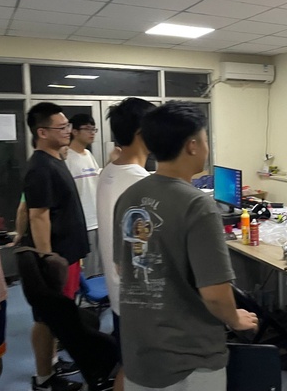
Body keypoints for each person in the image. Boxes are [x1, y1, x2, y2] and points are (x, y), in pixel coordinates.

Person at [113, 101, 258, 390]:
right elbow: (215, 294)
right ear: (192, 146)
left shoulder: (128, 196)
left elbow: (122, 266)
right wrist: (235, 319)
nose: (206, 147)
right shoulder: (196, 204)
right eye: (204, 139)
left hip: (140, 351)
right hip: (188, 360)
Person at [23, 102, 89, 391]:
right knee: (47, 319)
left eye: (68, 126)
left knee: (54, 319)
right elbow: (37, 216)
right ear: (42, 132)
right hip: (56, 259)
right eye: (61, 127)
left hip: (67, 255)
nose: (68, 131)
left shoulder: (55, 160)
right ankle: (44, 379)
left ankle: (51, 364)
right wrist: (48, 260)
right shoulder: (40, 167)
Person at [96, 98, 155, 391]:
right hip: (142, 301)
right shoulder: (140, 184)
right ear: (142, 132)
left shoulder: (109, 171)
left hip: (120, 294)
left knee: (130, 366)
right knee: (140, 372)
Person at [66, 114, 102, 278]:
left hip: (97, 219)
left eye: (94, 129)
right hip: (82, 222)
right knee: (89, 271)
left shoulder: (88, 154)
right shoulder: (66, 158)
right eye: (87, 129)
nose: (92, 133)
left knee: (101, 269)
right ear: (74, 131)